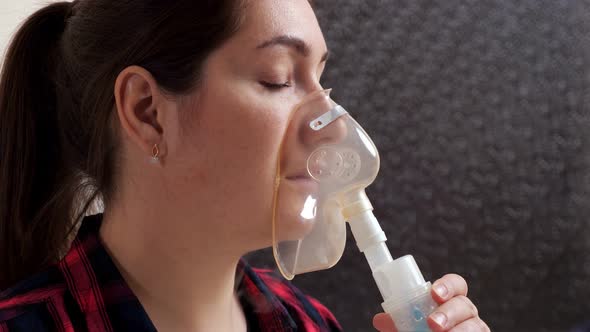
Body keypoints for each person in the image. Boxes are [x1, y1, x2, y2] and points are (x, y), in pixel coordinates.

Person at [0, 0, 490, 331]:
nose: (335, 126)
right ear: (148, 111)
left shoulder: (309, 322)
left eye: (321, 79)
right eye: (279, 79)